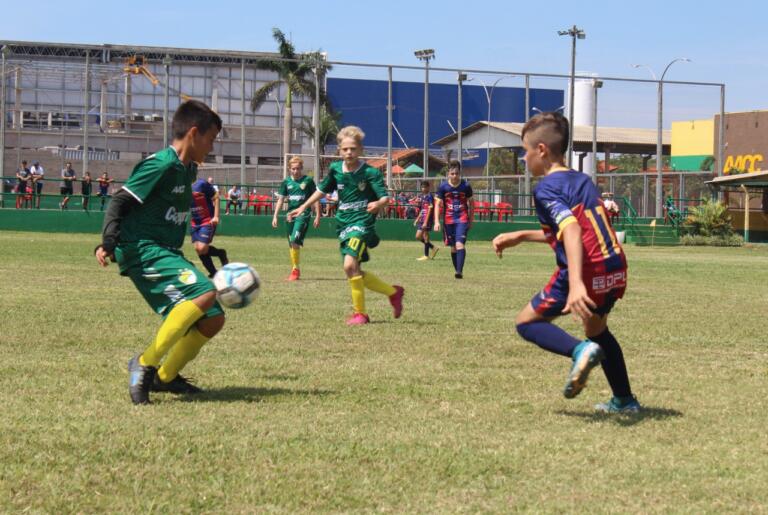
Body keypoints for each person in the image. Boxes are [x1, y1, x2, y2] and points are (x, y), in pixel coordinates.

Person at [492, 112, 640, 413]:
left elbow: (572, 230)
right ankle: (624, 400)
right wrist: (521, 235)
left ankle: (579, 351)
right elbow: (580, 228)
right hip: (614, 265)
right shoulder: (581, 180)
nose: (523, 158)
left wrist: (575, 284)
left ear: (541, 150)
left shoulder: (546, 188)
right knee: (597, 330)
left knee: (527, 322)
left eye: (525, 150)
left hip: (586, 268)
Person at [94, 100, 224, 405]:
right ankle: (144, 363)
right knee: (205, 292)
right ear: (194, 133)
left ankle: (165, 377)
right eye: (211, 139)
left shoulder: (189, 168)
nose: (212, 147)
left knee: (213, 319)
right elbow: (119, 201)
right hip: (141, 249)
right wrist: (108, 242)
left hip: (166, 251)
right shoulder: (160, 165)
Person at [288, 125, 404, 325]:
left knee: (349, 265)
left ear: (360, 150)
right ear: (339, 151)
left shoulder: (370, 172)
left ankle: (361, 314)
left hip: (362, 223)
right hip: (343, 224)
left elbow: (385, 197)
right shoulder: (335, 170)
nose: (349, 152)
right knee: (354, 270)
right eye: (345, 149)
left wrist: (378, 203)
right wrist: (303, 206)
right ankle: (393, 293)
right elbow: (321, 190)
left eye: (353, 149)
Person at [272, 156, 321, 281]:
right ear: (289, 169)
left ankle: (295, 271)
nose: (296, 171)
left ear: (301, 168)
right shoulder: (286, 182)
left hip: (303, 214)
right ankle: (295, 268)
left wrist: (318, 215)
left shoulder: (308, 181)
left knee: (294, 240)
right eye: (293, 169)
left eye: (298, 168)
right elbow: (281, 199)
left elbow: (316, 198)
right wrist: (275, 216)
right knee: (291, 243)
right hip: (290, 215)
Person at [434, 160, 474, 279]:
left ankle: (459, 271)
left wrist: (471, 220)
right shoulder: (443, 187)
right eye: (452, 174)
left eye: (457, 173)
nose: (455, 176)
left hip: (462, 219)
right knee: (453, 247)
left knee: (459, 244)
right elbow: (437, 204)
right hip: (448, 221)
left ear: (460, 173)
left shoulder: (466, 186)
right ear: (448, 174)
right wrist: (436, 221)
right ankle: (457, 270)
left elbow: (472, 204)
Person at [190, 174, 228, 278]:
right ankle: (214, 272)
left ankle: (220, 253)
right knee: (198, 249)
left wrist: (216, 216)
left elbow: (216, 197)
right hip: (194, 222)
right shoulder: (181, 187)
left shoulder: (201, 184)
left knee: (202, 248)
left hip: (208, 219)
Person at [414, 180, 438, 261]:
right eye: (422, 187)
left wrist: (425, 221)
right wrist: (417, 219)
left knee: (425, 235)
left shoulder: (430, 196)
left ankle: (426, 255)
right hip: (422, 218)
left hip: (427, 219)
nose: (423, 189)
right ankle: (433, 247)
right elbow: (422, 209)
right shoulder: (422, 196)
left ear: (428, 187)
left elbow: (430, 209)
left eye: (425, 187)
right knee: (418, 236)